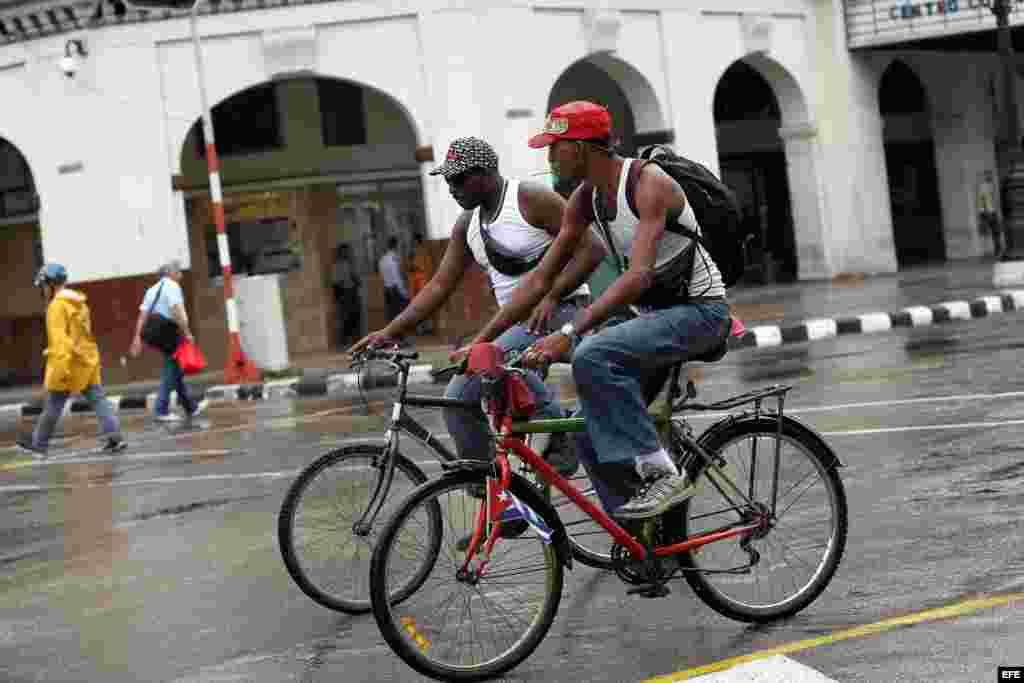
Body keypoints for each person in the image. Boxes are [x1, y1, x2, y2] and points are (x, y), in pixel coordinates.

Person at [468, 101, 730, 520]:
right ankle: (640, 542)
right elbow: (539, 282)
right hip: (653, 320)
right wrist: (481, 342)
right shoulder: (585, 200)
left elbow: (638, 276)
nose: (550, 157)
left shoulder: (648, 184)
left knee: (592, 353)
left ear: (584, 148)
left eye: (556, 147)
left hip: (701, 313)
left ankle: (663, 475)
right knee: (587, 429)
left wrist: (569, 333)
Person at [350, 136, 605, 473]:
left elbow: (593, 248)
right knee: (484, 372)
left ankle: (521, 466)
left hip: (558, 314)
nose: (451, 188)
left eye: (458, 179)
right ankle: (504, 489)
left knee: (459, 396)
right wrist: (388, 333)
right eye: (446, 179)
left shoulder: (529, 199)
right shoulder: (467, 224)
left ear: (484, 174)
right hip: (514, 324)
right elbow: (439, 286)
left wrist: (553, 295)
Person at [17, 263, 126, 458]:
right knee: (99, 400)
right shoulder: (79, 302)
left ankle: (39, 445)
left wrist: (59, 370)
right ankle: (115, 437)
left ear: (50, 284)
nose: (42, 289)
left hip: (69, 363)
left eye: (43, 285)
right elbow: (81, 334)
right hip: (88, 359)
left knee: (53, 404)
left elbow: (62, 342)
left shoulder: (56, 307)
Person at [129, 260, 208, 422]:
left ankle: (190, 407)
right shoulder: (173, 287)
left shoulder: (152, 290)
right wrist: (187, 332)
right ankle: (161, 409)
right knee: (172, 368)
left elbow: (142, 315)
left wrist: (137, 337)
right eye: (178, 271)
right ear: (170, 273)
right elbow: (176, 311)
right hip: (168, 330)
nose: (181, 274)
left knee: (174, 367)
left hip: (152, 332)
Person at [378, 236, 411, 346]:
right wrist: (404, 292)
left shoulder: (382, 260)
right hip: (396, 291)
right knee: (400, 317)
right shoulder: (394, 260)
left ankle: (391, 340)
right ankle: (400, 340)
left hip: (387, 290)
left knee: (391, 317)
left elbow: (384, 278)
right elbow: (397, 278)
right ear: (396, 246)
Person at [331, 243, 361, 348]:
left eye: (348, 251)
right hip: (345, 294)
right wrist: (339, 298)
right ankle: (344, 342)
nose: (348, 253)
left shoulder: (350, 263)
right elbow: (335, 283)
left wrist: (356, 281)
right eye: (346, 251)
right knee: (346, 319)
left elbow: (355, 278)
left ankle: (355, 341)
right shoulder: (337, 265)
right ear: (342, 252)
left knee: (355, 317)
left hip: (352, 292)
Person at [409, 233, 435, 335]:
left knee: (425, 306)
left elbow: (426, 268)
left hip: (423, 284)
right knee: (417, 307)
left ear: (416, 241)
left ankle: (427, 328)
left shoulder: (423, 252)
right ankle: (420, 329)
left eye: (413, 241)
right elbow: (410, 268)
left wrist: (416, 267)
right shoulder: (413, 253)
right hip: (416, 285)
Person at [978, 171, 1005, 260]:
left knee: (996, 232)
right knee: (991, 232)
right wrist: (982, 212)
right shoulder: (983, 186)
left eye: (990, 175)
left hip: (993, 212)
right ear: (985, 176)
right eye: (987, 175)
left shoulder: (992, 185)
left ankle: (998, 251)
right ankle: (991, 251)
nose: (989, 177)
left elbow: (994, 200)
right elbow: (981, 199)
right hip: (988, 212)